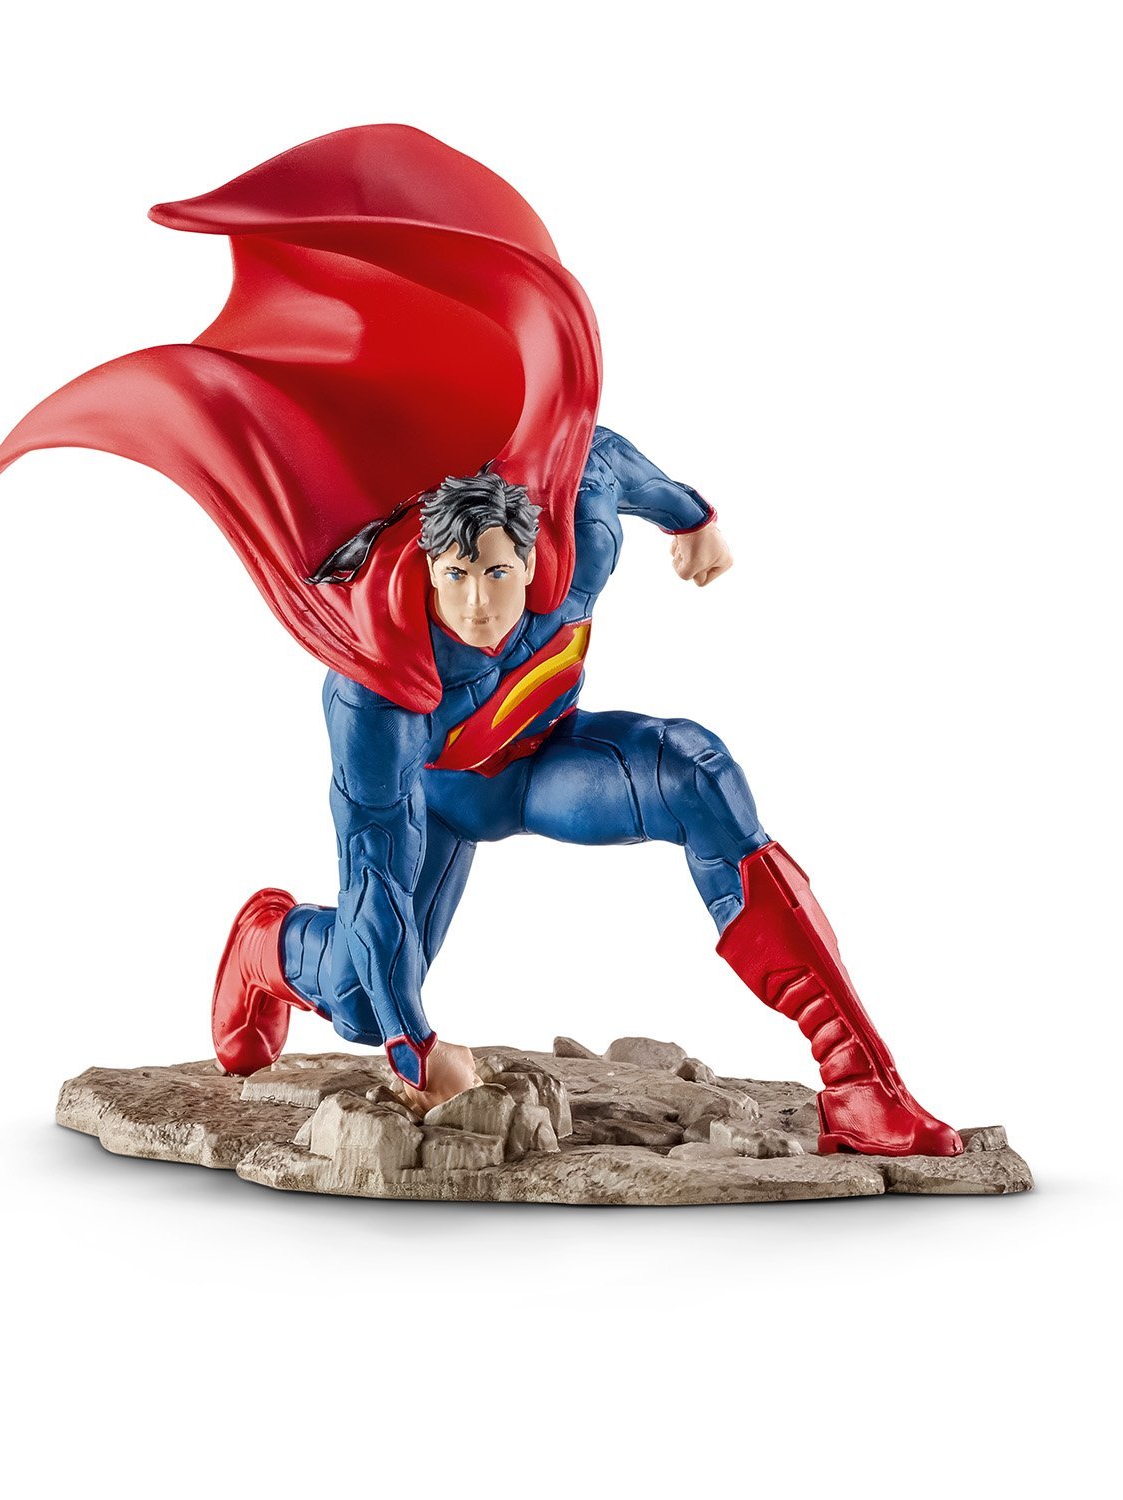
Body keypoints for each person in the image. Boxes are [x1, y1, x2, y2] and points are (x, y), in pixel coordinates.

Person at [212, 428, 962, 1157]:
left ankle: (859, 1084)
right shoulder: (377, 688)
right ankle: (263, 943)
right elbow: (375, 876)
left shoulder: (580, 534)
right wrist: (414, 1046)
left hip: (549, 759)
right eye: (456, 576)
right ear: (428, 568)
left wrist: (691, 517)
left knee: (697, 773)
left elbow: (606, 454)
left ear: (533, 558)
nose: (477, 604)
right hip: (437, 803)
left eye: (496, 574)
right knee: (363, 1004)